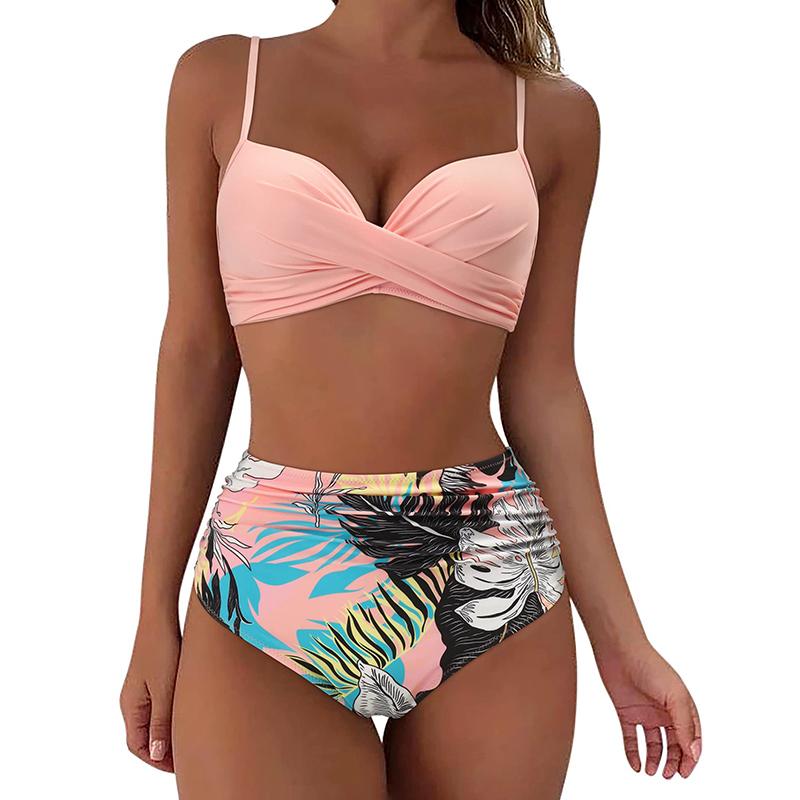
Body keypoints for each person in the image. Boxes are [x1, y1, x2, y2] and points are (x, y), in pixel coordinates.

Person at [120, 2, 702, 797]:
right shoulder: (223, 79)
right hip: (266, 567)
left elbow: (544, 386)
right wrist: (152, 611)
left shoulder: (553, 115)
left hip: (493, 565)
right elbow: (196, 352)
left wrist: (622, 640)